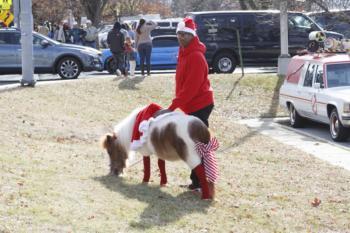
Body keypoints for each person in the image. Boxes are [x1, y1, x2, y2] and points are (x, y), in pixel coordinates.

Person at [158, 17, 214, 191]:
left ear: (192, 36)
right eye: (179, 34)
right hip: (190, 106)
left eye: (185, 34)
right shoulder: (183, 53)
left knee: (198, 145)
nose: (181, 37)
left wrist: (172, 108)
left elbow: (190, 89)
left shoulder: (196, 56)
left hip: (200, 105)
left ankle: (204, 183)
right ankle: (196, 182)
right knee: (191, 144)